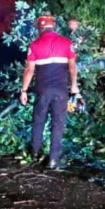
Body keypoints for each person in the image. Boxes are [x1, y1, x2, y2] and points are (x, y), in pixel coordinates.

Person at [19, 15, 79, 169]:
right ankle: (53, 160)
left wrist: (24, 90)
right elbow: (72, 67)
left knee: (38, 121)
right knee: (58, 124)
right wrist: (74, 86)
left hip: (42, 90)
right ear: (53, 27)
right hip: (61, 90)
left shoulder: (34, 45)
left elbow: (29, 70)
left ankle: (35, 154)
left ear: (40, 28)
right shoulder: (67, 43)